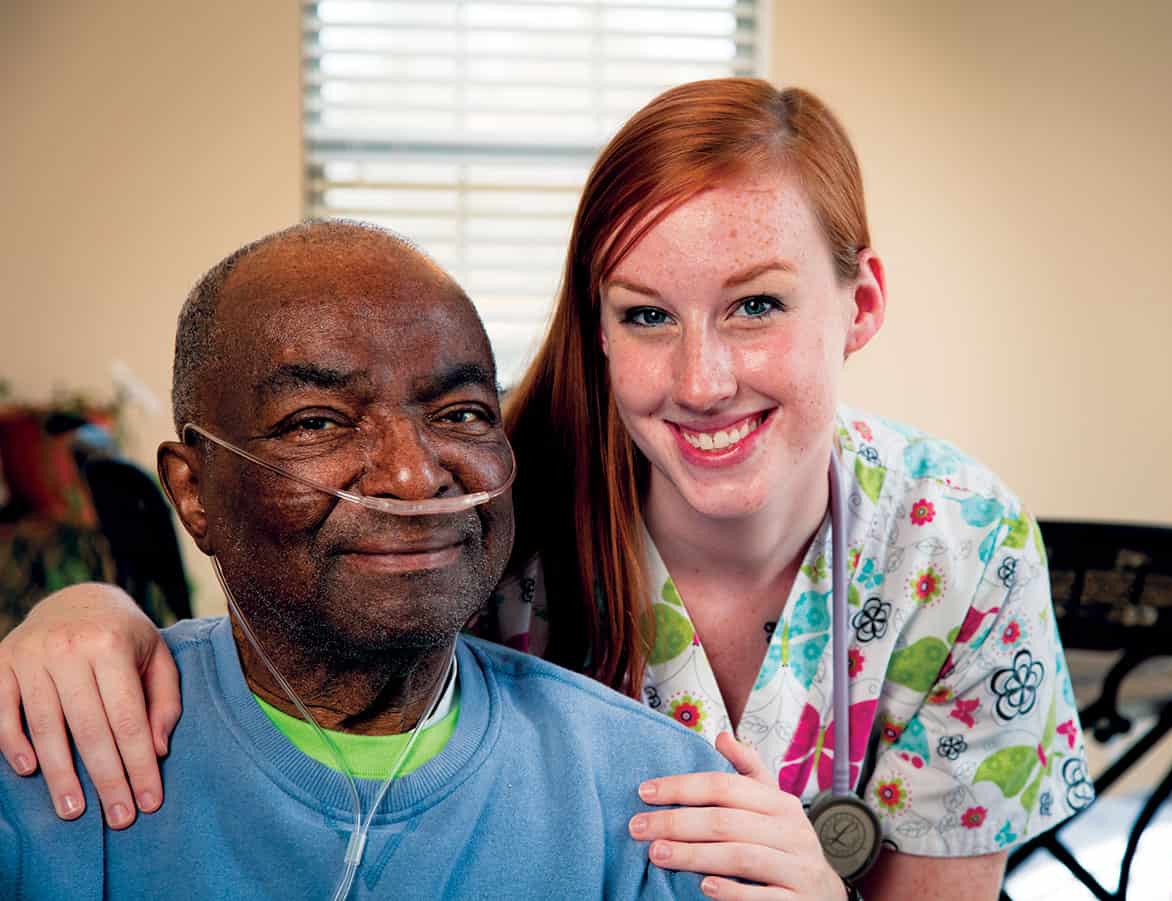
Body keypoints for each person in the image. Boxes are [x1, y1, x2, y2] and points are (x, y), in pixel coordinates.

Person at [0, 78, 1091, 899]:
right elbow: (290, 632)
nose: (702, 381)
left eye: (756, 305)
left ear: (859, 305)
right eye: (646, 313)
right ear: (597, 329)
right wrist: (90, 611)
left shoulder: (958, 547)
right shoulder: (479, 504)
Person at [0, 221, 740, 900]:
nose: (413, 476)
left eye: (461, 414)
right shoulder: (44, 765)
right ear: (194, 492)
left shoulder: (660, 803)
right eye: (316, 423)